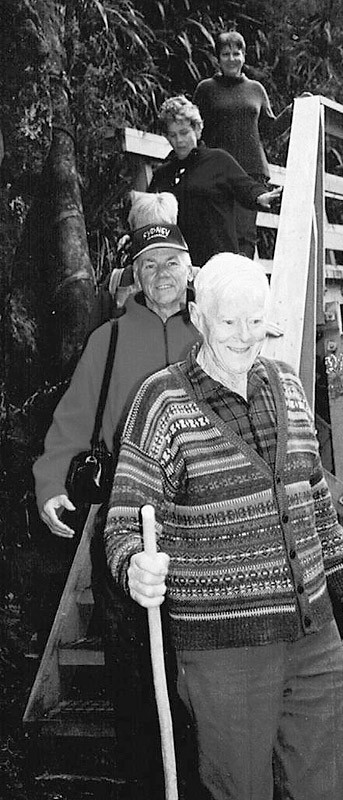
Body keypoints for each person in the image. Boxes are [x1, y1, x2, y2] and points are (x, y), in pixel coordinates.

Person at [104, 253, 343, 800]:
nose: (245, 336)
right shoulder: (161, 400)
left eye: (255, 321)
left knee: (322, 788)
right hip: (226, 650)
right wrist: (134, 564)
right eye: (229, 322)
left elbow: (315, 499)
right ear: (199, 317)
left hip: (313, 636)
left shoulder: (290, 387)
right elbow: (125, 518)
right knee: (239, 790)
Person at [33, 213, 201, 799]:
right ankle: (145, 782)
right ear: (134, 275)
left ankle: (202, 778)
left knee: (195, 665)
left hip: (198, 521)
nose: (161, 275)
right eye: (148, 265)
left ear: (189, 269)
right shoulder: (106, 341)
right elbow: (71, 424)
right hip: (123, 524)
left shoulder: (211, 334)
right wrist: (52, 481)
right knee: (132, 670)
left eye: (170, 263)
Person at [193, 30, 294, 258]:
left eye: (236, 53)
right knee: (217, 235)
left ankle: (243, 289)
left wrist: (292, 111)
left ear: (244, 56)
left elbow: (268, 130)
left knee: (245, 236)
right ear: (217, 59)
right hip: (216, 172)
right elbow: (195, 129)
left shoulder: (256, 89)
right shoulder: (206, 89)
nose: (231, 59)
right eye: (225, 54)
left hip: (250, 173)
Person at [148, 95, 282, 266]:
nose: (179, 141)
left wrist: (261, 197)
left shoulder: (218, 160)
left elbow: (246, 187)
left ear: (197, 130)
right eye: (172, 135)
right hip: (181, 266)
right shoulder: (163, 174)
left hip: (219, 264)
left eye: (184, 132)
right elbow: (148, 214)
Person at [89, 190, 179, 330]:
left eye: (159, 231)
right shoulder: (116, 282)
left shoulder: (194, 280)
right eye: (145, 233)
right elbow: (95, 341)